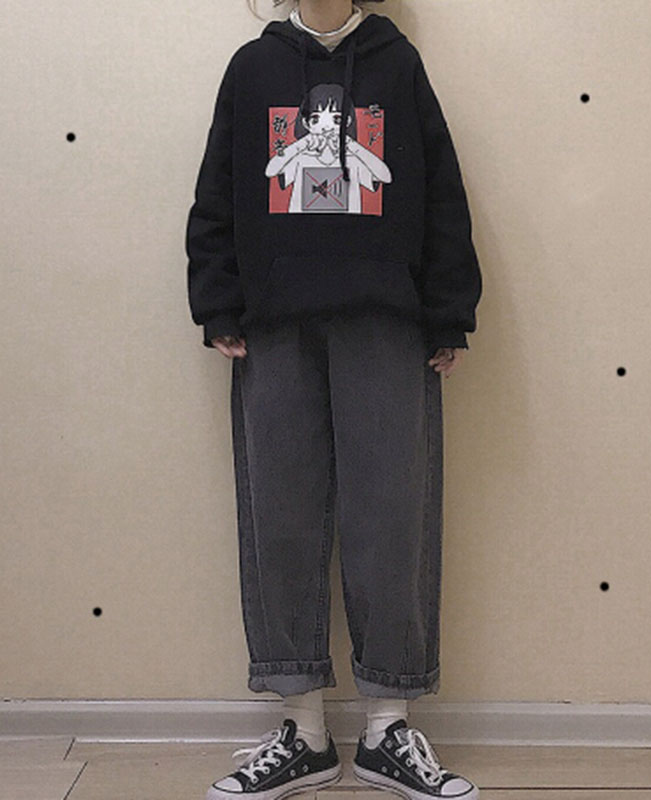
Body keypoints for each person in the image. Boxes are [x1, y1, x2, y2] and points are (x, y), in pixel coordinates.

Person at [186, 1, 482, 798]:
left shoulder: (397, 64)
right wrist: (217, 301)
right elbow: (217, 190)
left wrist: (449, 311)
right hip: (274, 326)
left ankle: (388, 727)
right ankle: (304, 732)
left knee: (392, 512)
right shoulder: (253, 69)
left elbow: (441, 191)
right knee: (280, 511)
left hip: (387, 322)